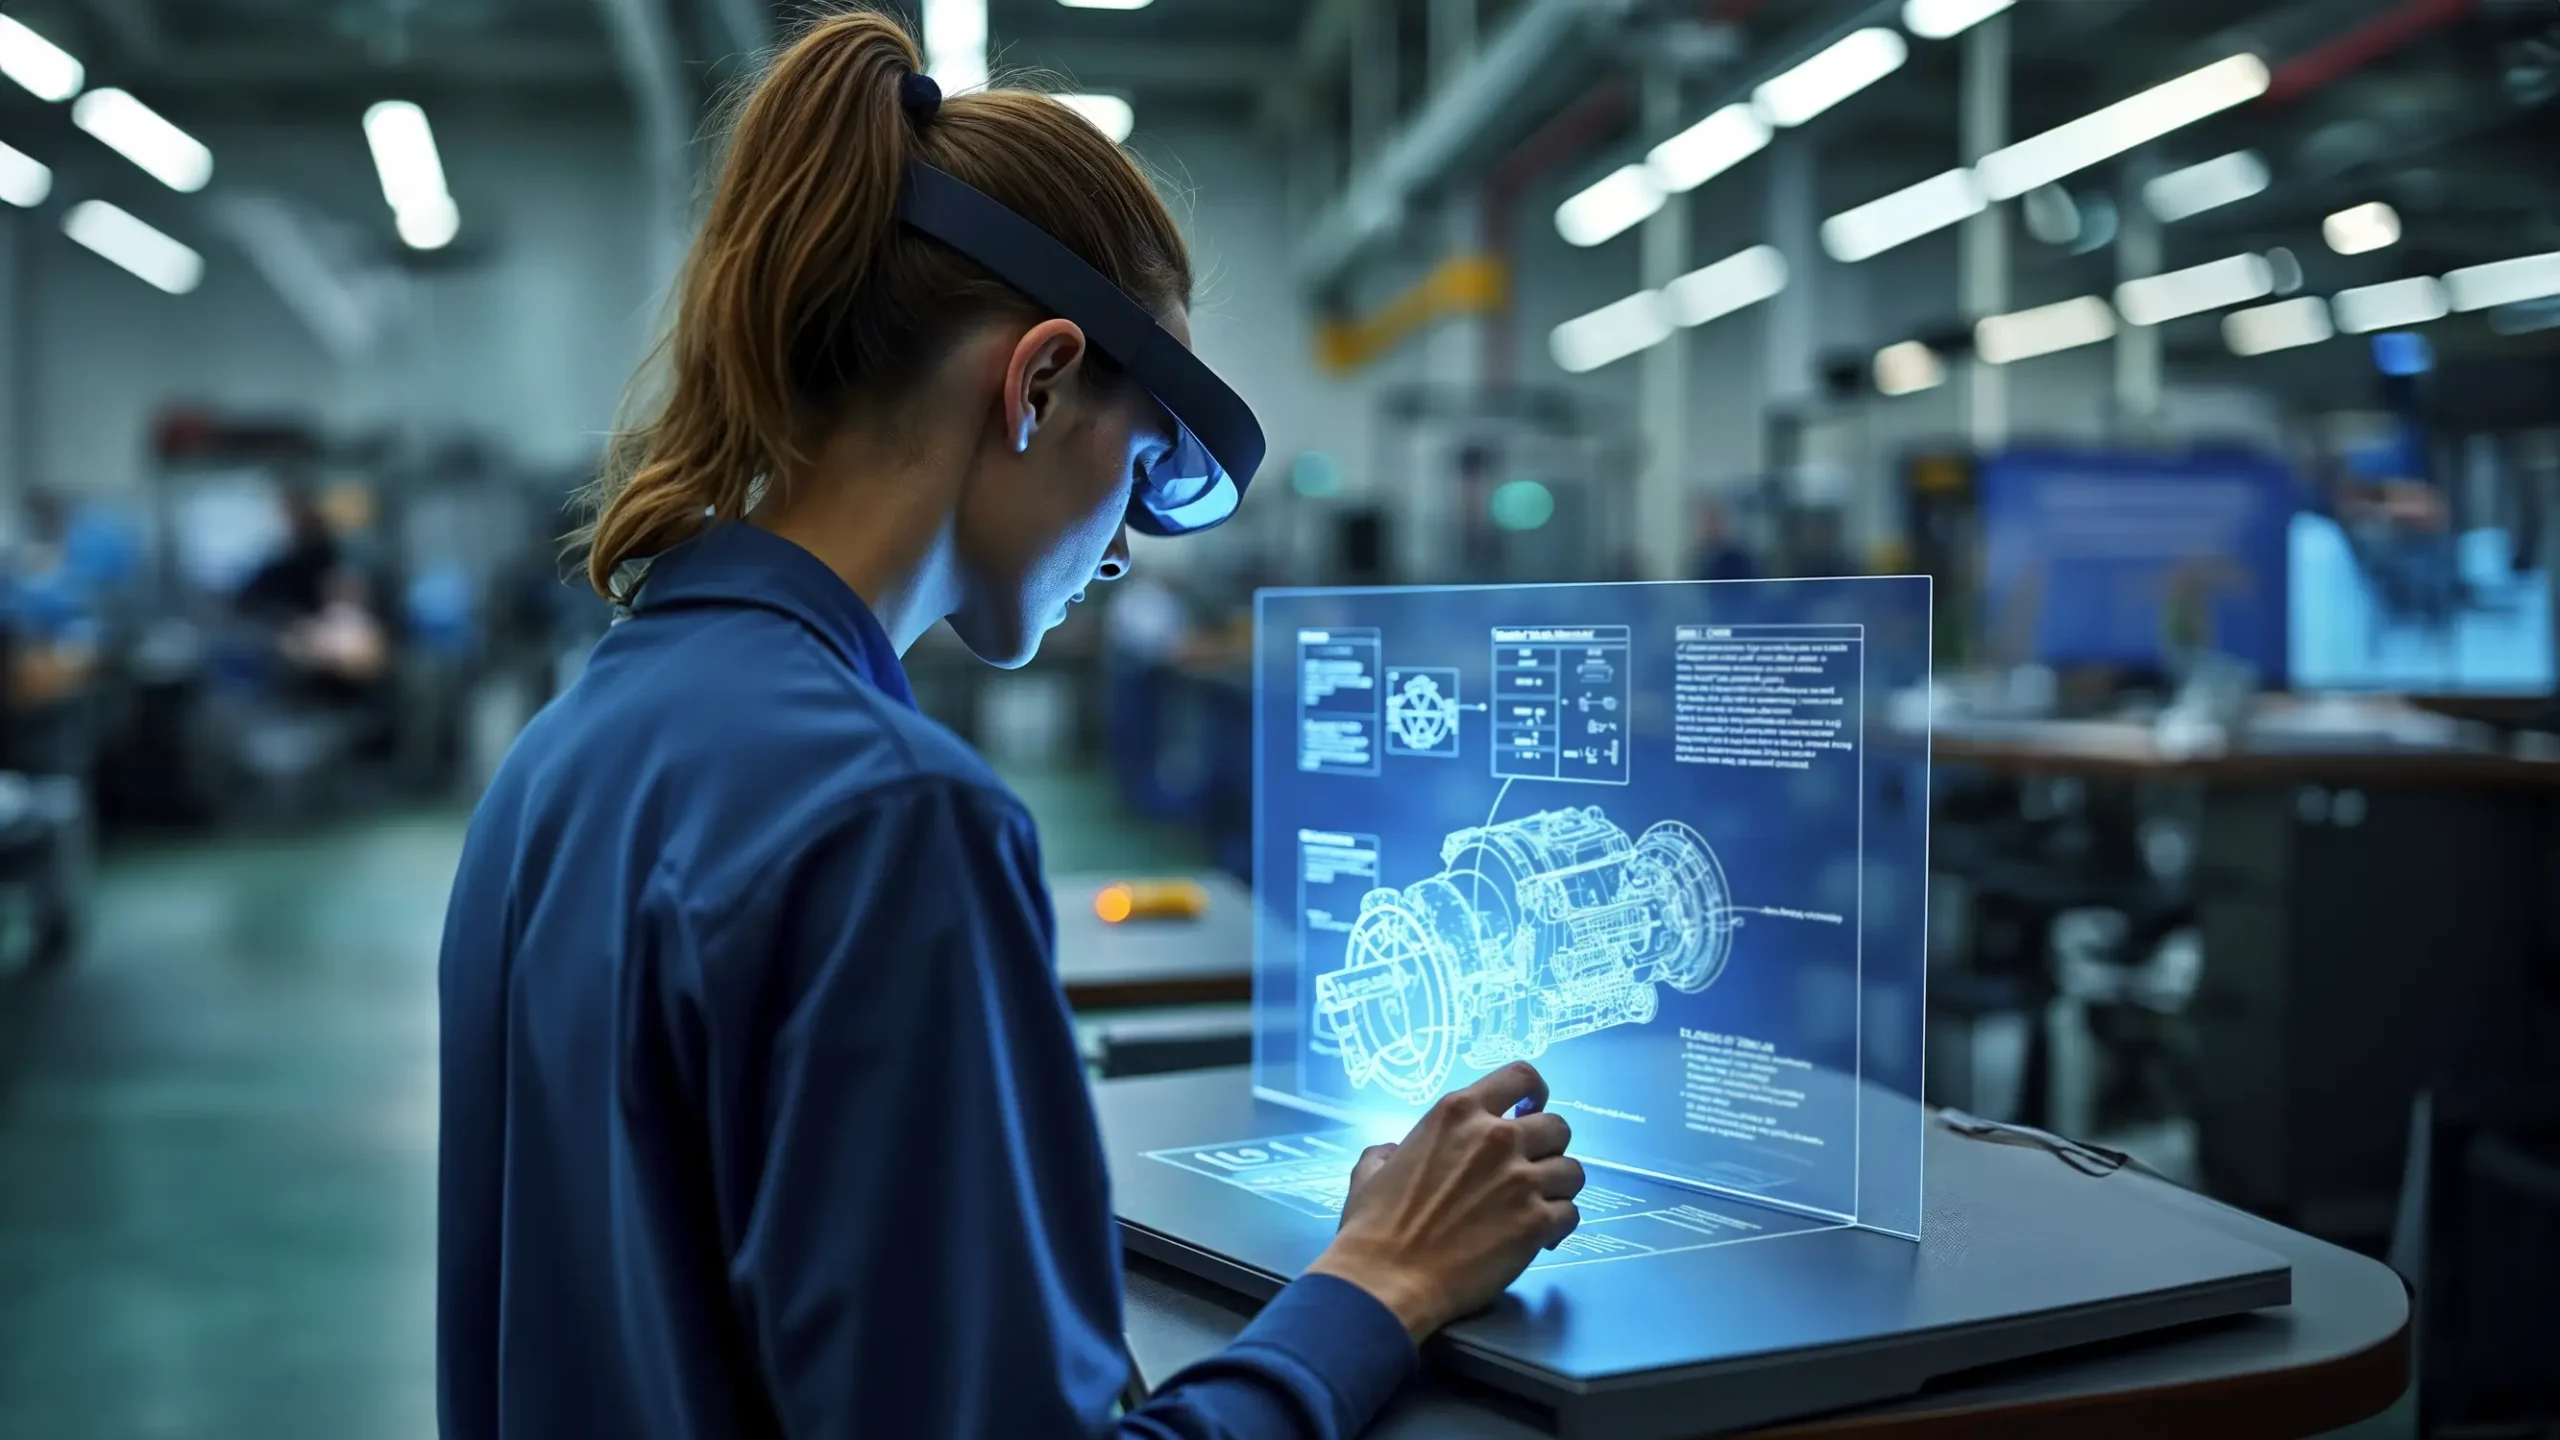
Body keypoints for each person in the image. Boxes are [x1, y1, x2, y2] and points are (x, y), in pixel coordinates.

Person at [436, 13, 1586, 1440]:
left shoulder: (565, 755)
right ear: (1039, 385)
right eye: (1149, 465)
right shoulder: (888, 813)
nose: (1123, 549)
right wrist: (1378, 1282)